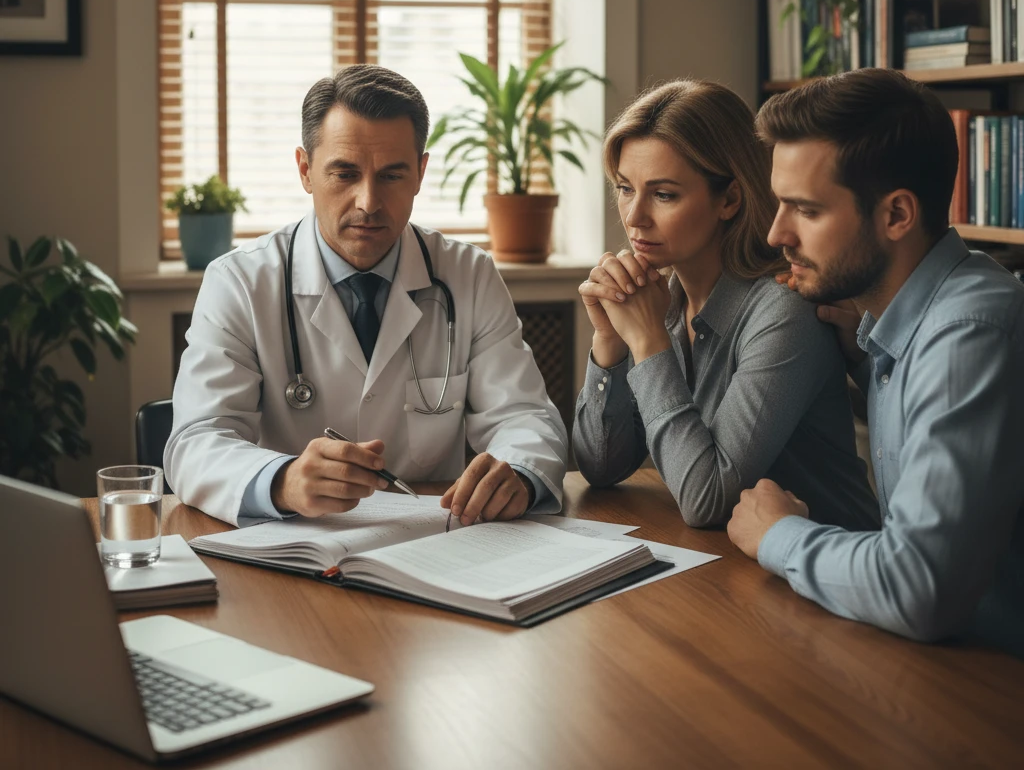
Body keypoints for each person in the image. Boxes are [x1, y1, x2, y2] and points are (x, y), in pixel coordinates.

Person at [165, 65, 568, 527]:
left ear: (420, 173)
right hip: (295, 541)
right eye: (345, 173)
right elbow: (195, 443)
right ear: (305, 170)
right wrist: (283, 480)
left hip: (435, 539)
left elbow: (525, 416)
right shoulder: (239, 281)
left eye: (392, 176)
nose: (368, 202)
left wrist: (518, 473)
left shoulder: (468, 275)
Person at [728, 68, 1024, 659]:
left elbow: (919, 587)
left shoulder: (968, 333)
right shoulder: (899, 323)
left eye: (806, 210)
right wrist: (865, 361)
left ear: (896, 215)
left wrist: (778, 534)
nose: (776, 233)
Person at [573, 79, 879, 530]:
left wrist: (649, 342)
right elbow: (600, 467)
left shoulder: (785, 312)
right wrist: (609, 343)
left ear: (730, 199)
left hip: (828, 561)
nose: (634, 217)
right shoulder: (662, 301)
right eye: (624, 188)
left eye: (663, 194)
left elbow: (707, 499)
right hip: (727, 558)